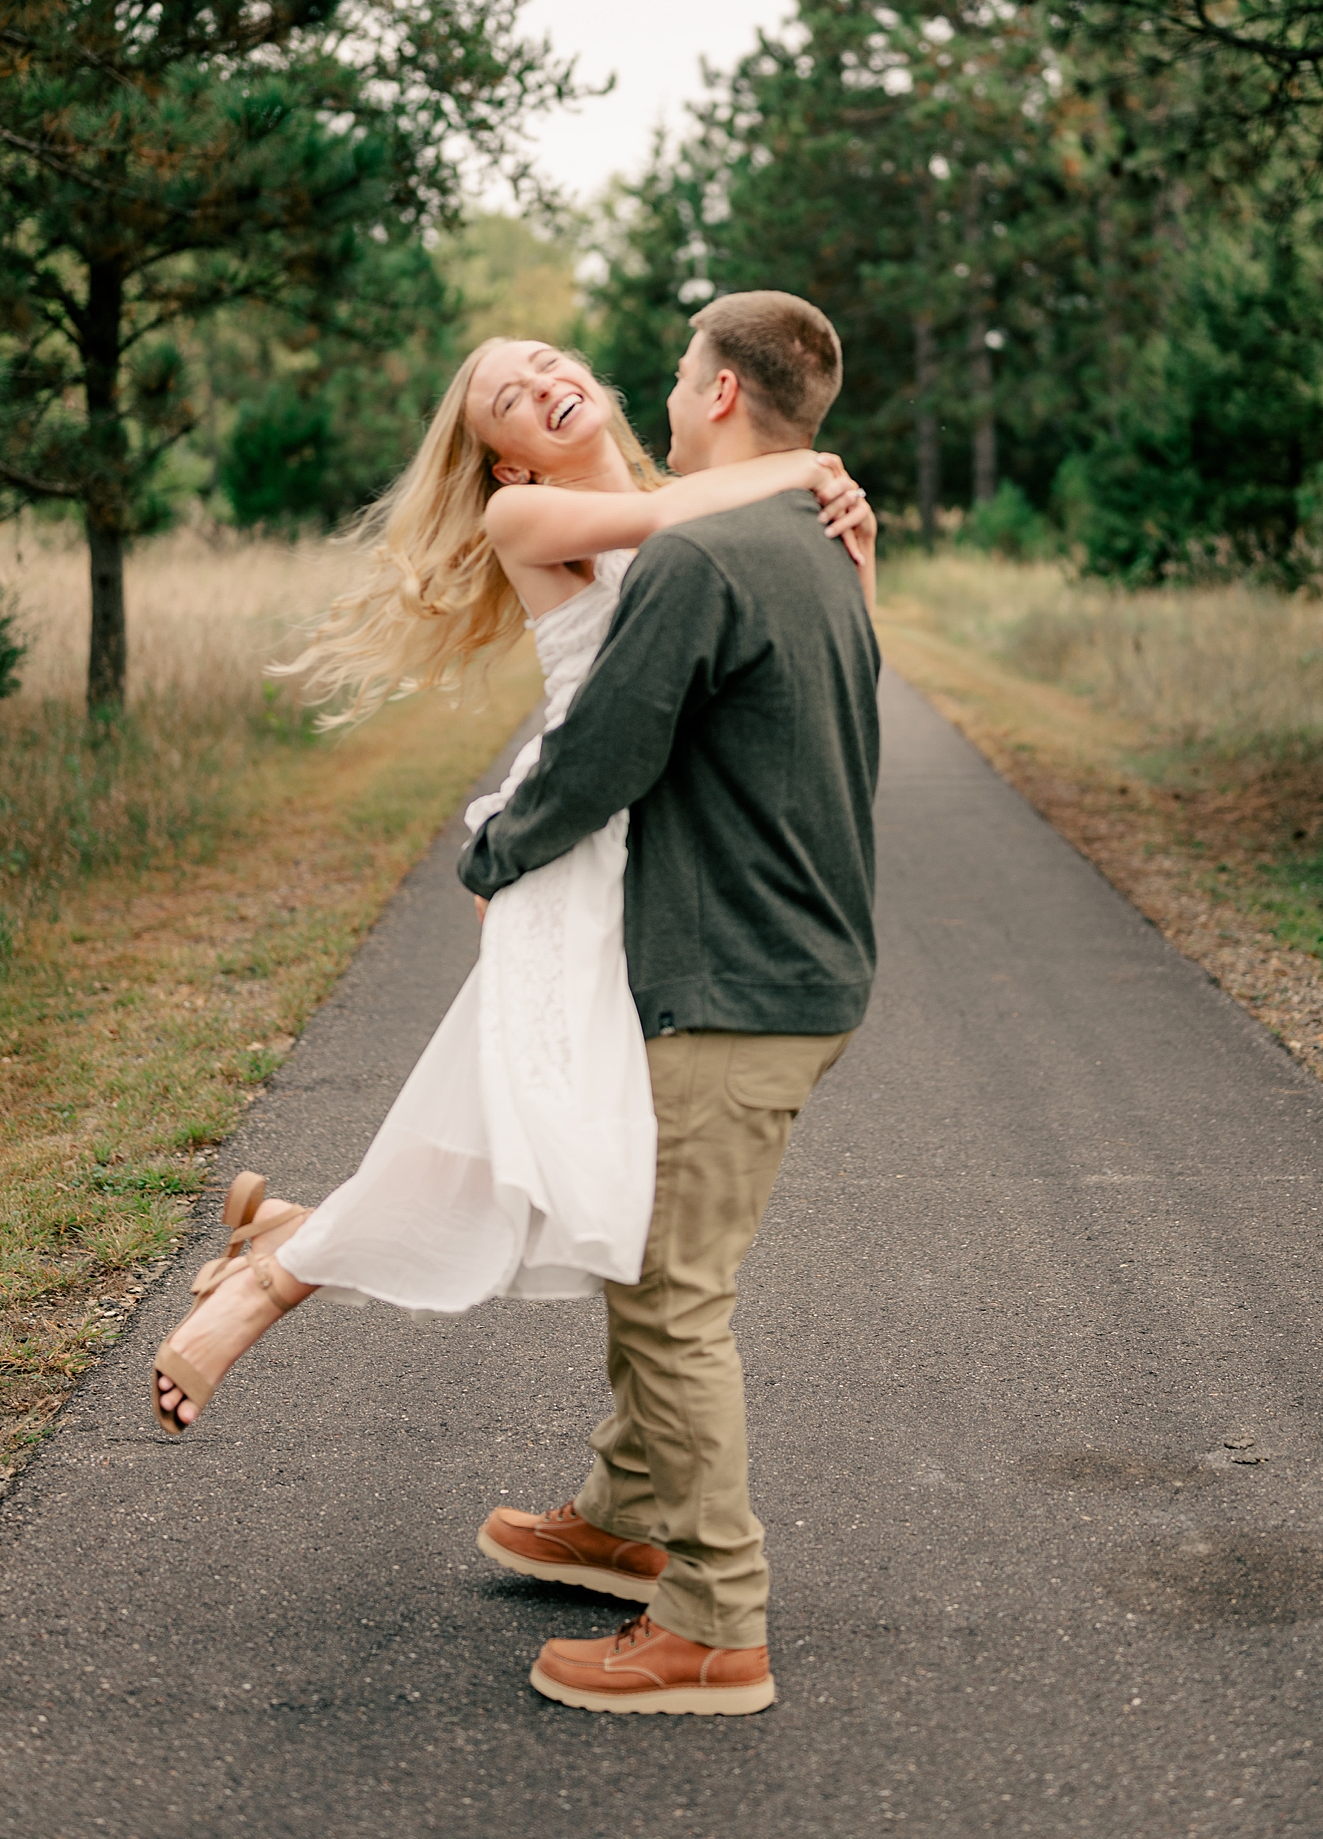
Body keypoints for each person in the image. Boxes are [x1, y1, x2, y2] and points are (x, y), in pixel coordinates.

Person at [148, 324, 872, 1468]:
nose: (541, 383)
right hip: (568, 839)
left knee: (534, 1115)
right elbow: (659, 530)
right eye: (507, 397)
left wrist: (841, 539)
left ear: (592, 383)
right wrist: (796, 472)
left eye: (548, 363)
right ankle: (264, 1289)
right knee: (520, 1109)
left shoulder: (700, 501)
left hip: (657, 854)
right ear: (508, 461)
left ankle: (296, 1242)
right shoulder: (528, 519)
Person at [461, 289, 880, 1718]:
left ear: (713, 395)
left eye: (675, 369)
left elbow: (600, 751)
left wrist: (493, 851)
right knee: (655, 1260)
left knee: (668, 1295)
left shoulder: (708, 552)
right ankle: (624, 1511)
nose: (657, 383)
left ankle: (714, 1618)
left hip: (738, 980)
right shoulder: (823, 544)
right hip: (799, 965)